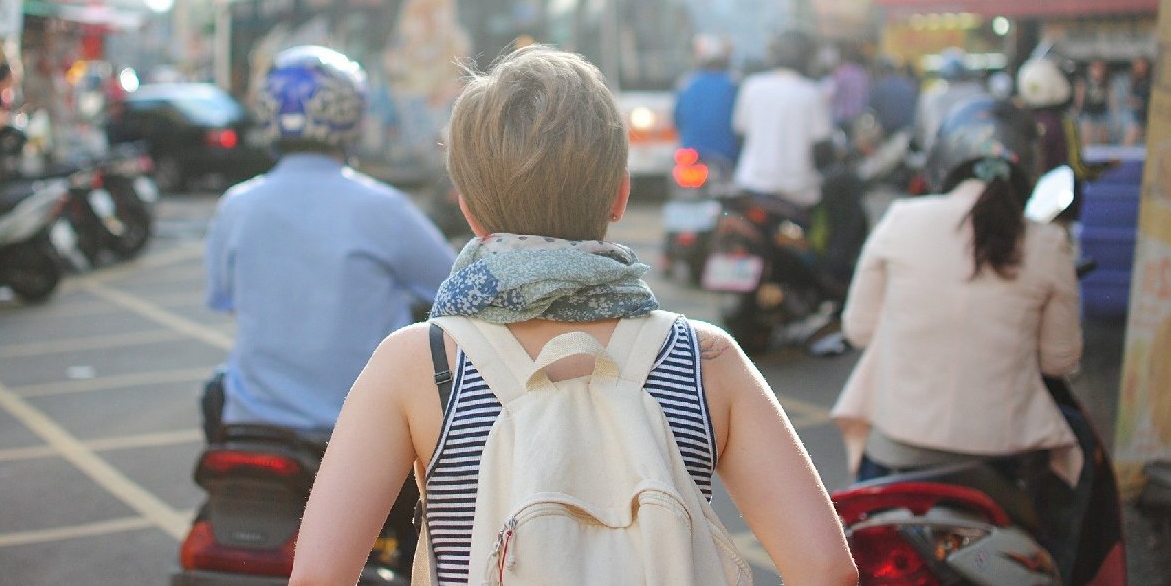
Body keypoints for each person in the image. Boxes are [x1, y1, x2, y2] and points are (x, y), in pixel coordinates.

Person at [287, 45, 857, 586]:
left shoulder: (419, 363)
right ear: (620, 195)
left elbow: (318, 576)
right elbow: (828, 570)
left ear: (469, 210)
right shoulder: (705, 359)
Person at [203, 46, 456, 439]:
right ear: (352, 117)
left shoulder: (236, 205)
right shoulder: (381, 207)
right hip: (357, 430)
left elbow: (226, 299)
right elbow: (451, 287)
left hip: (251, 422)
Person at [831, 95, 1082, 488]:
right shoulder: (1048, 243)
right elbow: (1058, 361)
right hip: (1001, 460)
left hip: (894, 453)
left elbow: (859, 330)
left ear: (945, 160)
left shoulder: (902, 220)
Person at [731, 29, 833, 208]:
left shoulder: (752, 87)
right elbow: (822, 150)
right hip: (798, 192)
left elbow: (740, 135)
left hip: (752, 185)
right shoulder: (812, 93)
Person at [1017, 54, 1109, 224]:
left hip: (1027, 209)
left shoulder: (1021, 121)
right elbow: (1077, 167)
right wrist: (1105, 168)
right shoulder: (1064, 123)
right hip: (1058, 211)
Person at [672, 33, 739, 174]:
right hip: (727, 156)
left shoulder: (686, 83)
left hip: (690, 154)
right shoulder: (734, 84)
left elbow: (677, 119)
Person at [913, 47, 985, 154]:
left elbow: (919, 131)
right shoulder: (976, 91)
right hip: (965, 151)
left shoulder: (931, 94)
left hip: (942, 152)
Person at [1075, 58, 1113, 146]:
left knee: (1103, 136)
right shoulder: (1084, 80)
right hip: (1088, 111)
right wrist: (1078, 109)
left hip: (1101, 112)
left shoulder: (1105, 81)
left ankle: (1104, 155)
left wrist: (1112, 111)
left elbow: (1110, 96)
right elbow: (1080, 95)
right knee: (1086, 136)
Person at [1123, 55, 1152, 146]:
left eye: (1142, 64)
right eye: (1138, 64)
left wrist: (1140, 103)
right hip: (1135, 116)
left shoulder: (1150, 81)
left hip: (1146, 115)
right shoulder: (1132, 80)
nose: (1140, 67)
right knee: (1132, 128)